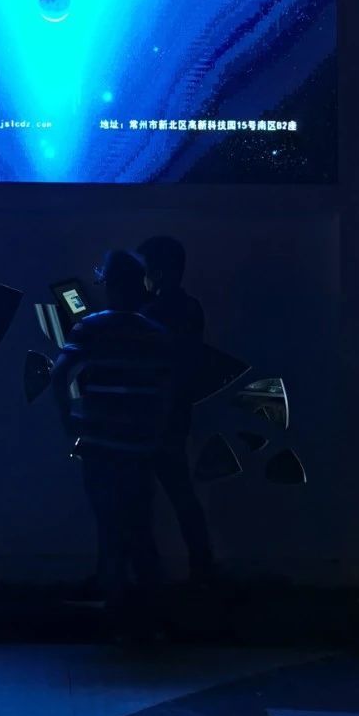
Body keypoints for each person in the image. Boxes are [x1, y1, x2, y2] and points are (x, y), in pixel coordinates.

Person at [50, 249, 175, 639]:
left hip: (100, 445)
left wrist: (68, 417)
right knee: (140, 527)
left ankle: (116, 610)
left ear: (109, 285)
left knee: (109, 526)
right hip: (139, 448)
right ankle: (153, 616)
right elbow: (166, 391)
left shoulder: (90, 328)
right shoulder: (156, 334)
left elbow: (60, 374)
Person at [137, 235, 217, 582]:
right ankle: (202, 568)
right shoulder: (190, 308)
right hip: (176, 414)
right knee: (181, 494)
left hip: (151, 418)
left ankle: (147, 573)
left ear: (159, 272)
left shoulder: (150, 313)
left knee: (137, 499)